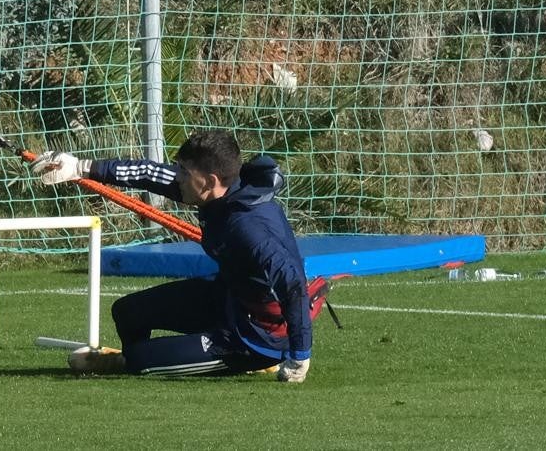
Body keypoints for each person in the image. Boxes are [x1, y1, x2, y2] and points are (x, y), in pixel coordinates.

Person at [29, 130, 327, 383]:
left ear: (209, 181)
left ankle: (134, 362)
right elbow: (148, 173)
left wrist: (299, 357)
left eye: (185, 172)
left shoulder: (248, 228)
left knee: (142, 360)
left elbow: (292, 282)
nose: (178, 178)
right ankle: (135, 359)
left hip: (255, 336)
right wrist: (79, 167)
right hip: (229, 299)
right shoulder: (219, 190)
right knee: (127, 312)